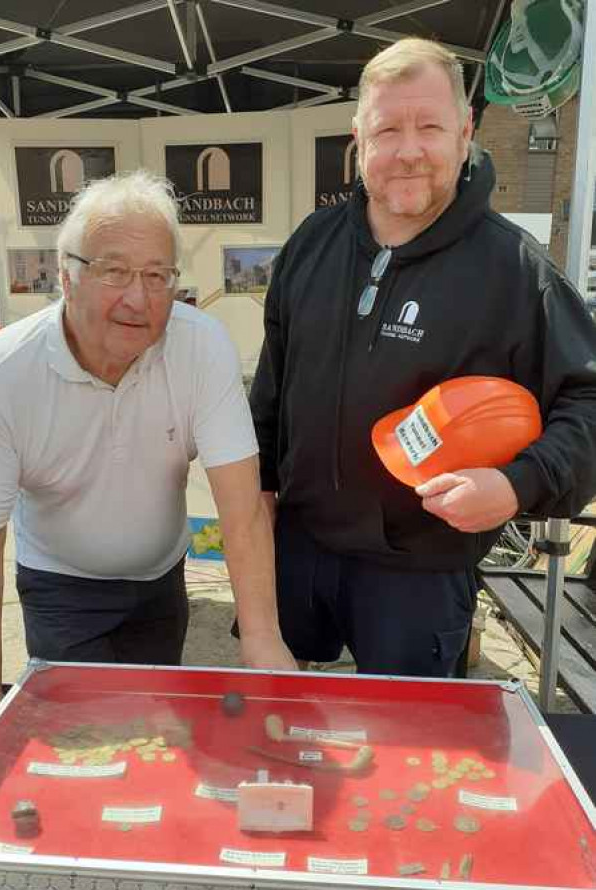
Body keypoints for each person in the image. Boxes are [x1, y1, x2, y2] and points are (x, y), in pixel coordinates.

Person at [0, 170, 296, 770]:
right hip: (61, 586)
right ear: (67, 275)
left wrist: (262, 640)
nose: (138, 298)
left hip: (161, 580)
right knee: (83, 751)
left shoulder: (202, 347)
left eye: (156, 276)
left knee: (156, 742)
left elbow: (242, 506)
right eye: (114, 271)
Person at [250, 37, 596, 678]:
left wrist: (518, 485)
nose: (408, 150)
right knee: (285, 736)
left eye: (429, 126)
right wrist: (257, 496)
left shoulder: (515, 270)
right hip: (297, 547)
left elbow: (590, 401)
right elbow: (272, 389)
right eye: (387, 129)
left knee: (404, 752)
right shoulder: (311, 245)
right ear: (359, 139)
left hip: (419, 569)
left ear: (465, 132)